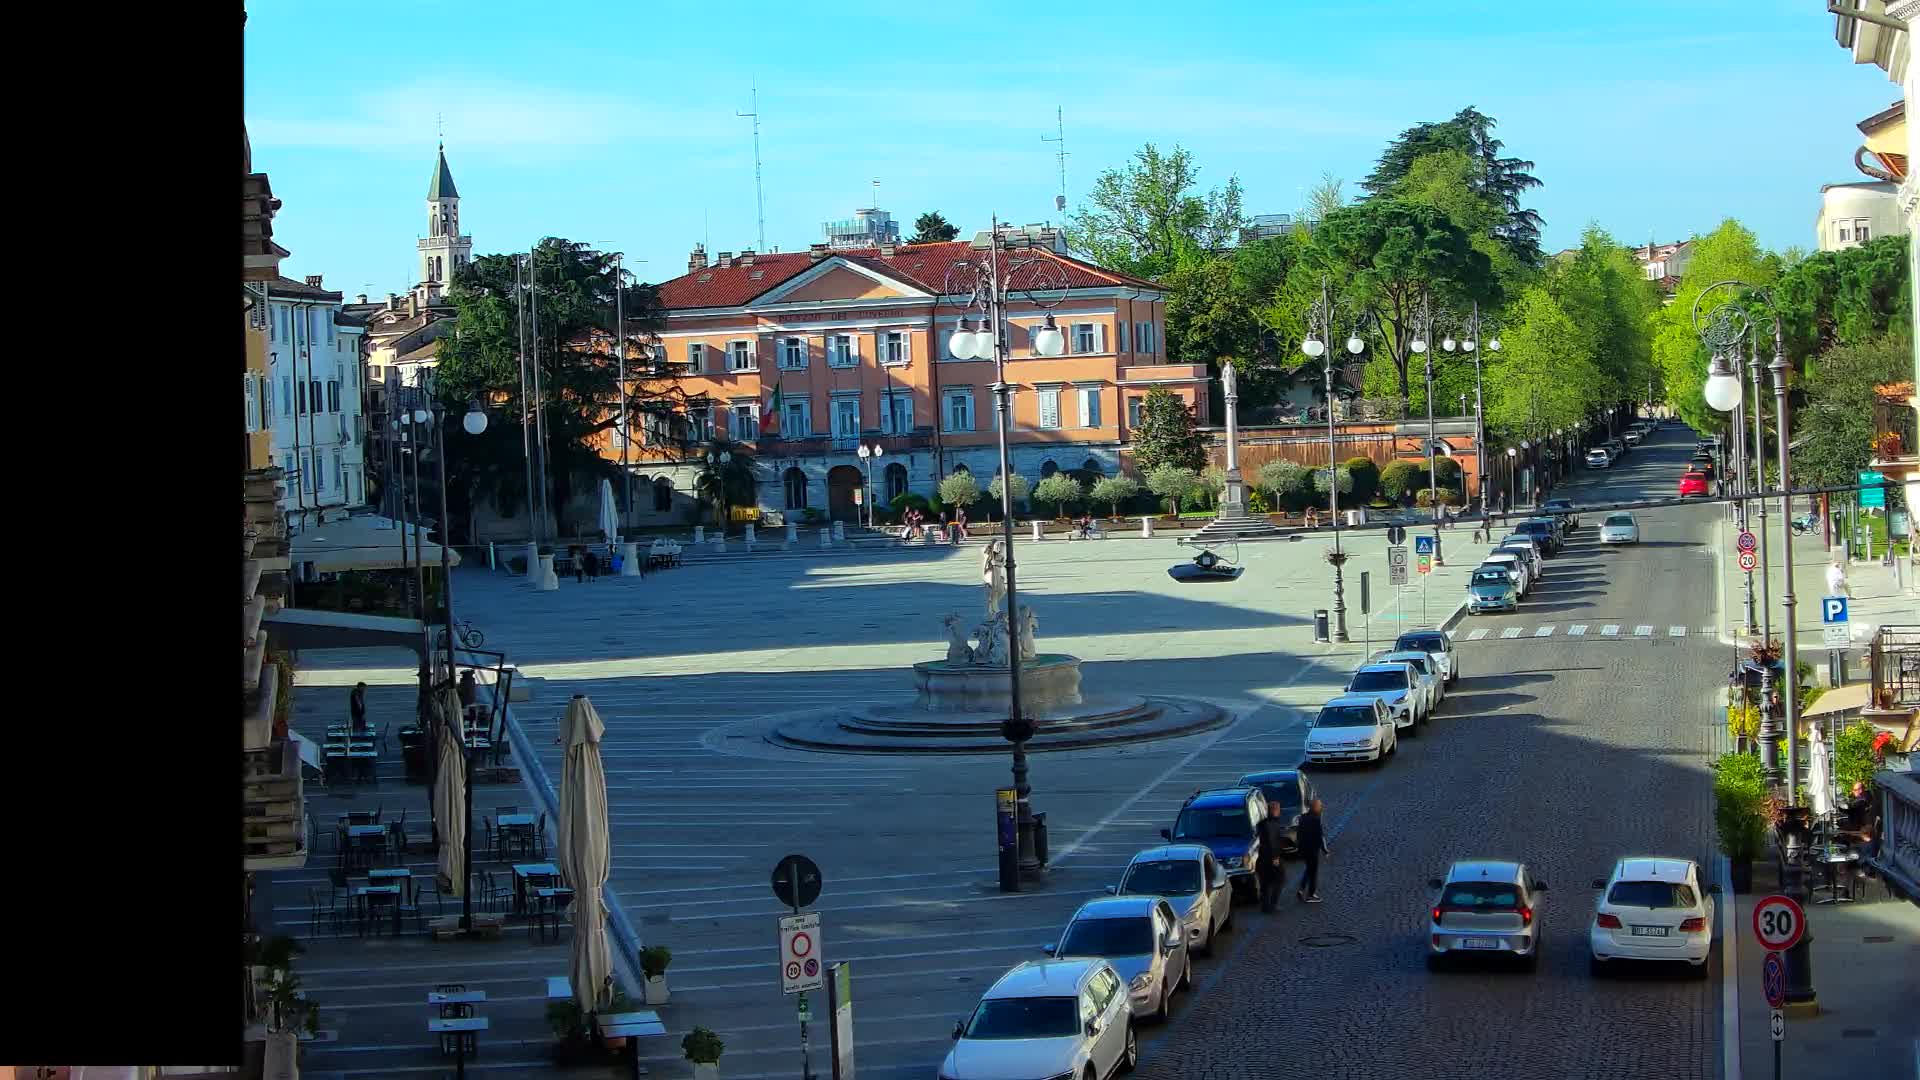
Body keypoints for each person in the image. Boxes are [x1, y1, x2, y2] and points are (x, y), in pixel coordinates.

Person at [1255, 801, 1292, 913]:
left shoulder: (1262, 823)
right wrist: (1275, 857)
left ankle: (1265, 906)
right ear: (1274, 811)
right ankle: (1272, 905)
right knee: (1280, 879)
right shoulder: (1272, 824)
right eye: (1278, 809)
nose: (1279, 812)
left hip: (1262, 857)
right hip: (1271, 858)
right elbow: (1273, 842)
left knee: (1265, 882)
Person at [1295, 798, 1329, 904]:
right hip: (1312, 849)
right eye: (1320, 806)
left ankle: (1301, 889)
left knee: (1309, 869)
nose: (1321, 807)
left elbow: (1298, 834)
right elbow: (1320, 836)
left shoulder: (1303, 817)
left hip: (1303, 849)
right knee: (1313, 872)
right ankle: (1311, 894)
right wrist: (1325, 850)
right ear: (1315, 807)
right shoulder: (1316, 819)